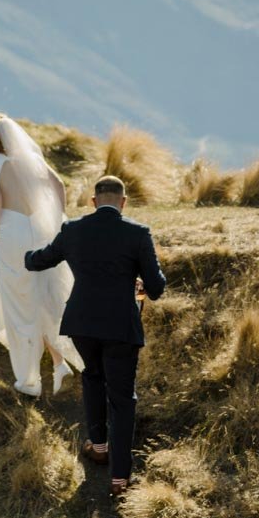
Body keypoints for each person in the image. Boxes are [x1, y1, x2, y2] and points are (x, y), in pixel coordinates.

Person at [25, 174, 167, 496]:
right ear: (124, 202)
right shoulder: (138, 233)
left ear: (93, 201)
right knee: (122, 397)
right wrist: (143, 282)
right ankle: (120, 478)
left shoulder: (73, 230)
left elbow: (41, 259)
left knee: (92, 376)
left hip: (83, 322)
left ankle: (99, 446)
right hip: (121, 326)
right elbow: (156, 288)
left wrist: (19, 256)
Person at [0, 114, 82, 397]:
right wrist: (58, 222)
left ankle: (29, 381)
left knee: (19, 303)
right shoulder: (29, 158)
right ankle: (59, 363)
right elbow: (59, 186)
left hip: (13, 234)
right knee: (45, 297)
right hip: (41, 230)